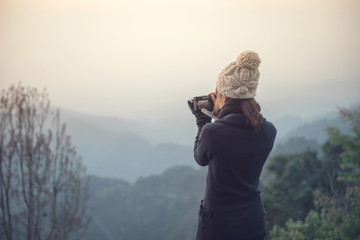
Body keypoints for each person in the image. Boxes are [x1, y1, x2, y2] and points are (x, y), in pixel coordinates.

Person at [188, 50, 277, 240]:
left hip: (219, 227)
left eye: (218, 92)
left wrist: (202, 120)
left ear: (224, 96)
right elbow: (237, 129)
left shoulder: (212, 133)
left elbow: (200, 157)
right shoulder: (269, 131)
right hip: (253, 222)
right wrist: (221, 113)